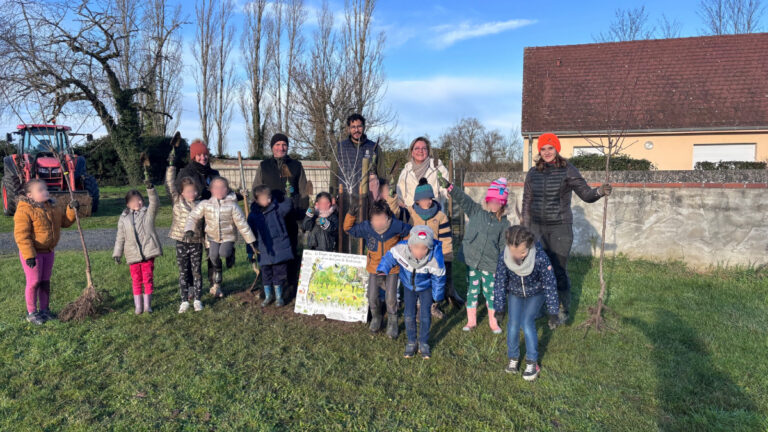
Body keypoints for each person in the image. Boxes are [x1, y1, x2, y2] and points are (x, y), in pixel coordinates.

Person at [522, 133, 612, 324]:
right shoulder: (532, 173)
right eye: (543, 149)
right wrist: (525, 228)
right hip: (537, 228)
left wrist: (600, 191)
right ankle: (538, 305)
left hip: (560, 228)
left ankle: (562, 309)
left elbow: (586, 194)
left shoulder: (568, 170)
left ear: (557, 149)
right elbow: (527, 202)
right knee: (536, 268)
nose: (547, 152)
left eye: (550, 148)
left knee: (558, 269)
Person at [439, 175, 510, 334]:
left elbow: (503, 247)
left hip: (490, 265)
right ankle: (471, 321)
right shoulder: (476, 211)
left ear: (503, 203)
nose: (494, 204)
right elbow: (463, 199)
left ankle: (493, 322)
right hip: (472, 261)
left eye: (498, 202)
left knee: (490, 294)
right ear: (487, 200)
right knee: (472, 290)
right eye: (491, 200)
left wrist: (501, 266)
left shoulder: (504, 224)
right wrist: (450, 187)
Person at [388, 177, 463, 319]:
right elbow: (394, 212)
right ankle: (417, 307)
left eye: (430, 198)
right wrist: (392, 196)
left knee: (432, 283)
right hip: (414, 255)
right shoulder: (409, 212)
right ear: (417, 200)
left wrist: (446, 257)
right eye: (423, 199)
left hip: (432, 255)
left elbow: (445, 238)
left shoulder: (440, 216)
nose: (427, 202)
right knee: (417, 281)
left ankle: (431, 306)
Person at [493, 225, 560, 382]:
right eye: (513, 252)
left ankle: (532, 362)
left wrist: (553, 311)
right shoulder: (504, 257)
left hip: (536, 293)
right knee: (513, 324)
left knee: (526, 321)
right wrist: (500, 307)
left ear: (529, 247)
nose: (517, 256)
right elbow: (500, 282)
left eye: (522, 252)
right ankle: (513, 358)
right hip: (515, 293)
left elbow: (549, 283)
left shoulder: (540, 258)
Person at [13, 179, 78, 324]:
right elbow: (22, 235)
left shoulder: (52, 207)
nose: (45, 192)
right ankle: (32, 312)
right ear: (30, 195)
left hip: (48, 251)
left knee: (45, 281)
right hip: (32, 253)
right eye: (40, 190)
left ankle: (44, 310)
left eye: (45, 189)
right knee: (34, 281)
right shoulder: (24, 210)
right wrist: (29, 255)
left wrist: (71, 209)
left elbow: (65, 222)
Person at [343, 200, 411, 338]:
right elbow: (348, 229)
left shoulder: (396, 226)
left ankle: (392, 321)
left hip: (392, 269)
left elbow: (410, 232)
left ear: (388, 217)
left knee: (391, 297)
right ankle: (376, 317)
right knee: (372, 296)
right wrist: (351, 214)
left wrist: (403, 248)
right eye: (376, 219)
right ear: (371, 219)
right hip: (374, 268)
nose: (379, 222)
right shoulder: (367, 227)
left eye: (382, 219)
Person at [377, 226, 446, 359]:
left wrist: (437, 296)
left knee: (425, 315)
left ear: (429, 247)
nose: (419, 252)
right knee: (409, 314)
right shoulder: (401, 249)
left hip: (426, 288)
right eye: (416, 247)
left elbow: (439, 278)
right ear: (410, 245)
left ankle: (424, 342)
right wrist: (382, 270)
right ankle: (411, 341)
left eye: (424, 248)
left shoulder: (435, 259)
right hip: (409, 287)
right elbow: (389, 257)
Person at [251, 133, 309, 290]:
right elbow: (256, 189)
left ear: (287, 147)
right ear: (272, 147)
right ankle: (270, 284)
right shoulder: (264, 166)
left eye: (284, 144)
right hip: (269, 215)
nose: (281, 148)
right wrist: (255, 209)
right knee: (270, 249)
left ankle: (291, 283)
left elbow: (303, 190)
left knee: (291, 248)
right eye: (277, 145)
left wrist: (301, 211)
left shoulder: (296, 165)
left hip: (291, 214)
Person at [184, 177, 257, 297]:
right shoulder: (205, 204)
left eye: (222, 187)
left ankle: (230, 254)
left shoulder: (233, 206)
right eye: (216, 188)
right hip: (212, 237)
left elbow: (242, 224)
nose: (219, 190)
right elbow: (193, 216)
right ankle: (218, 271)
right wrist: (189, 229)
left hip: (228, 237)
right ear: (211, 190)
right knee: (213, 256)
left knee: (224, 253)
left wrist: (251, 241)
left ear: (227, 190)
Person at [332, 113, 385, 252]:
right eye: (353, 127)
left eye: (359, 126)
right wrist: (332, 194)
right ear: (348, 129)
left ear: (364, 127)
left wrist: (383, 199)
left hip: (368, 200)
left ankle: (366, 261)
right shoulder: (340, 148)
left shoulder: (374, 148)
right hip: (346, 199)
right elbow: (334, 173)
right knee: (346, 232)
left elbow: (382, 175)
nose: (356, 130)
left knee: (367, 233)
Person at [113, 182, 163, 314]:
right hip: (132, 255)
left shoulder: (148, 213)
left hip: (148, 254)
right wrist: (117, 253)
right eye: (134, 201)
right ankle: (138, 307)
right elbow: (120, 237)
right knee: (136, 280)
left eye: (140, 199)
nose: (139, 202)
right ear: (128, 204)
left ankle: (147, 306)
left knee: (147, 279)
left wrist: (151, 189)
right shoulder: (123, 219)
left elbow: (155, 203)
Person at [166, 162, 205, 313]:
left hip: (196, 242)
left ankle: (197, 299)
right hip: (181, 241)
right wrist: (171, 165)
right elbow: (170, 184)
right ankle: (184, 300)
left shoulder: (201, 204)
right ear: (182, 193)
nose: (192, 194)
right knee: (183, 271)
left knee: (196, 270)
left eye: (194, 191)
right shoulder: (177, 201)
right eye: (188, 191)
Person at [247, 185, 294, 307]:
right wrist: (250, 250)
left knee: (279, 273)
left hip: (279, 247)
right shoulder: (253, 215)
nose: (267, 201)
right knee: (266, 274)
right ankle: (268, 296)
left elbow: (288, 206)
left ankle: (279, 297)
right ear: (256, 200)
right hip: (263, 249)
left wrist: (288, 196)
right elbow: (249, 234)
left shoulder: (277, 209)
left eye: (269, 198)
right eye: (264, 199)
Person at [396, 136, 449, 208]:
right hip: (412, 216)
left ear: (428, 151)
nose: (420, 151)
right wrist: (400, 203)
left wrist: (448, 192)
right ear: (412, 152)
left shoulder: (438, 169)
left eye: (424, 148)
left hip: (434, 214)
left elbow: (445, 190)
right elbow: (400, 195)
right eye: (417, 148)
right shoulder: (405, 172)